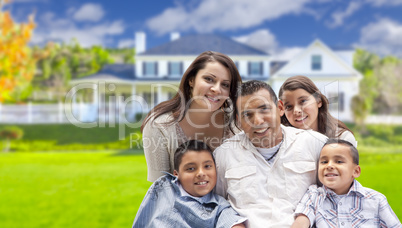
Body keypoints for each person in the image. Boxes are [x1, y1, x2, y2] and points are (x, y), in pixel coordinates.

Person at [214, 80, 328, 227]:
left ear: (280, 108)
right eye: (247, 115)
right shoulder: (224, 155)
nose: (258, 121)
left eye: (264, 109)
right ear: (238, 121)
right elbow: (217, 204)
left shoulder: (315, 144)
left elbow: (339, 194)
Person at [141, 51, 242, 182]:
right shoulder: (159, 127)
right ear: (191, 80)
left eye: (225, 85)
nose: (217, 89)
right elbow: (160, 191)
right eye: (209, 79)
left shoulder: (237, 122)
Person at [133, 140, 246, 228]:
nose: (201, 173)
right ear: (177, 174)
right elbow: (143, 217)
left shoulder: (219, 206)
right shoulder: (163, 186)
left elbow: (231, 221)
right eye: (191, 168)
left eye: (207, 166)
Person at [291, 139, 401, 228]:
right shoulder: (314, 195)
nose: (329, 166)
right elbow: (301, 221)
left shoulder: (376, 200)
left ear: (356, 171)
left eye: (339, 161)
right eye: (324, 162)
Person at [278, 75, 357, 147]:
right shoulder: (281, 142)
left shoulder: (342, 138)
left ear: (318, 101)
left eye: (303, 101)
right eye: (288, 106)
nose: (296, 111)